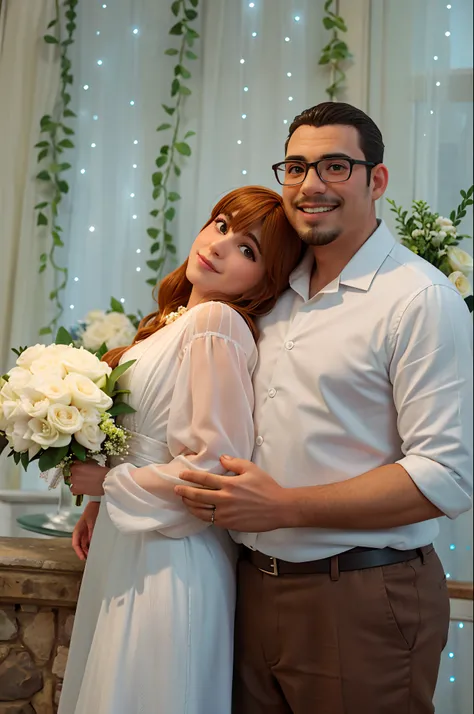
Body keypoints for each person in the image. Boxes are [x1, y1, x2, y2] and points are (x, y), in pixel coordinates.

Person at [174, 102, 473, 714]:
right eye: (297, 166)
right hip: (248, 586)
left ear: (376, 180)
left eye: (336, 166)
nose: (312, 185)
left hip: (362, 594)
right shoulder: (269, 291)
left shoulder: (420, 299)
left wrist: (285, 506)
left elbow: (447, 476)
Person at [58, 185, 303, 714]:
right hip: (132, 541)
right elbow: (153, 435)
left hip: (172, 555)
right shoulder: (170, 327)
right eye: (221, 224)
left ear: (266, 280)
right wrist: (102, 503)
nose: (219, 245)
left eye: (248, 249)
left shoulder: (217, 324)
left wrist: (109, 484)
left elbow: (213, 470)